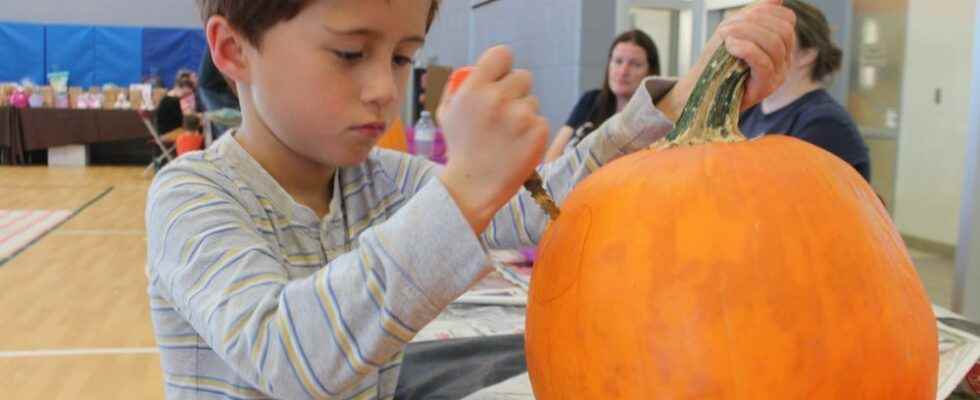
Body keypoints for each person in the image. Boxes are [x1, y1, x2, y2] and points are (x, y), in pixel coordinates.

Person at [145, 0, 795, 398]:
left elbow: (529, 209)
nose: (383, 89)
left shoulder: (386, 179)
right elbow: (289, 359)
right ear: (234, 51)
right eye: (349, 54)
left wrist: (677, 106)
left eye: (402, 58)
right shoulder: (192, 193)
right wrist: (464, 187)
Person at [739, 0, 870, 180]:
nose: (753, 50)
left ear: (807, 54)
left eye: (772, 41)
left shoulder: (825, 124)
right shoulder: (748, 112)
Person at [544, 29, 661, 163]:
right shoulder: (590, 100)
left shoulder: (653, 122)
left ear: (650, 71)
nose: (623, 71)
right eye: (618, 61)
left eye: (635, 64)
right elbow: (552, 157)